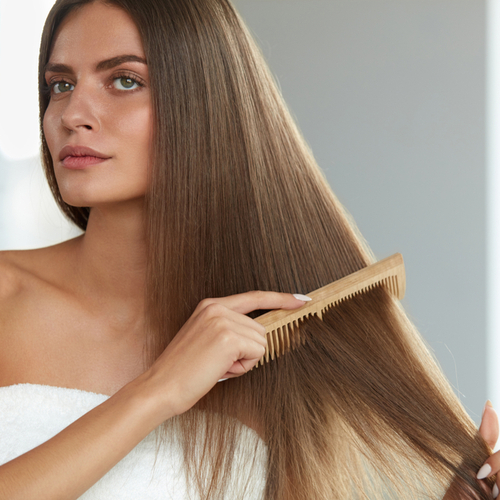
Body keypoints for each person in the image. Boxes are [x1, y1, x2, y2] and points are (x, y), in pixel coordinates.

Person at [0, 0, 498, 498]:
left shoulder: (265, 350)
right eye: (60, 85)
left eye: (125, 80)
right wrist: (157, 391)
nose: (72, 114)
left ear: (208, 104)